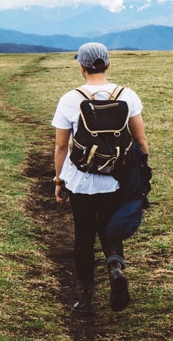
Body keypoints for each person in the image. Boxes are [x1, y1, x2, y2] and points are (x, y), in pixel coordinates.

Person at [52, 42, 149, 314]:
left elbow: (61, 146)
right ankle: (116, 266)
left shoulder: (71, 99)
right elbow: (141, 140)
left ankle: (85, 298)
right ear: (108, 64)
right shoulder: (126, 95)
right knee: (110, 228)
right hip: (116, 179)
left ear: (81, 67)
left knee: (83, 235)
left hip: (81, 180)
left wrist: (59, 180)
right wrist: (140, 174)